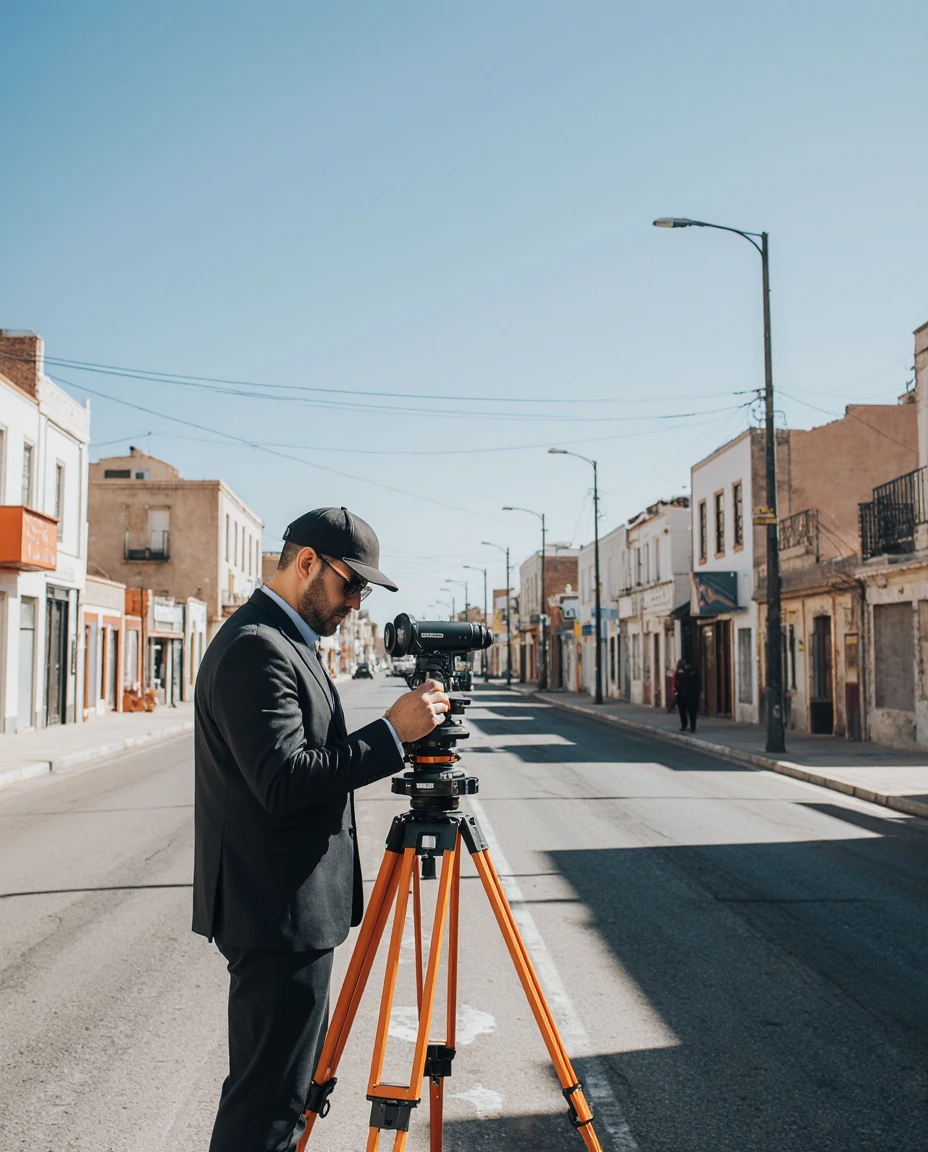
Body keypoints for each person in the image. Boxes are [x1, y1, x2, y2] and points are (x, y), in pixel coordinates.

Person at [192, 506, 450, 1152]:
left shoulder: (285, 641)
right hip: (275, 916)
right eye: (349, 584)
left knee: (292, 1092)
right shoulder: (256, 647)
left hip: (291, 916)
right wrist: (393, 734)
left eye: (364, 591)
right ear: (306, 562)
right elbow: (283, 779)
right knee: (268, 1109)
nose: (357, 603)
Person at [673, 658, 701, 733]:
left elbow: (675, 683)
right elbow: (698, 682)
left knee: (683, 711)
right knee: (692, 712)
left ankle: (684, 725)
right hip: (692, 694)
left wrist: (675, 693)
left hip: (682, 694)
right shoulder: (693, 671)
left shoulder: (679, 671)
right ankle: (692, 727)